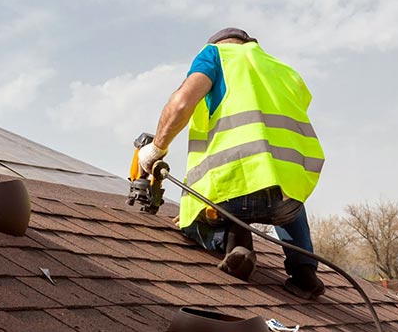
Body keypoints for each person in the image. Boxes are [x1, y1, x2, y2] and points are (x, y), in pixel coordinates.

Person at [138, 27, 326, 299]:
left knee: (195, 219)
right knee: (286, 197)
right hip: (289, 195)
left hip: (232, 193)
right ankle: (305, 273)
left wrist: (156, 149)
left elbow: (181, 104)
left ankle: (236, 244)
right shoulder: (282, 69)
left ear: (220, 44)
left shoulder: (215, 55)